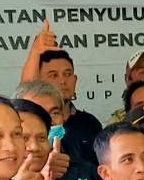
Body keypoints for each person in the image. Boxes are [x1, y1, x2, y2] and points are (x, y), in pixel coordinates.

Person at [17, 23, 103, 167]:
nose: (62, 81)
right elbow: (27, 91)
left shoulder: (90, 123)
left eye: (67, 74)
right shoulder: (28, 121)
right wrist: (35, 52)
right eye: (53, 75)